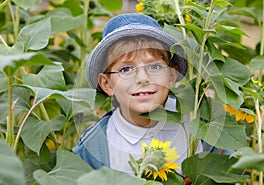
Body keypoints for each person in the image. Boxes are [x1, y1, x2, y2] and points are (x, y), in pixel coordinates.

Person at [72, 13, 226, 174]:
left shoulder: (196, 120)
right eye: (126, 69)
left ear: (172, 76)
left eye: (154, 67)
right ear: (107, 84)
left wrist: (203, 184)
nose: (142, 78)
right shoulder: (96, 145)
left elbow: (225, 173)